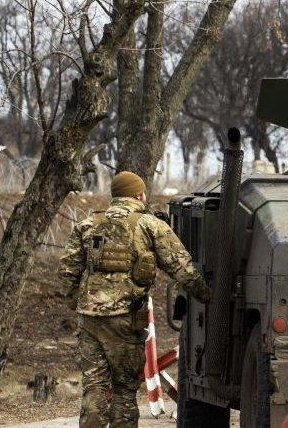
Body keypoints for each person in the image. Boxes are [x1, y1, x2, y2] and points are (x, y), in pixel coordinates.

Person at [59, 171, 211, 428]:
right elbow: (181, 268)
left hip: (90, 320)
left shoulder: (87, 224)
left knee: (94, 386)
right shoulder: (150, 225)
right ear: (139, 194)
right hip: (126, 321)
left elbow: (67, 270)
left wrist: (78, 301)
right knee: (124, 390)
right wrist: (208, 296)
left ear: (115, 195)